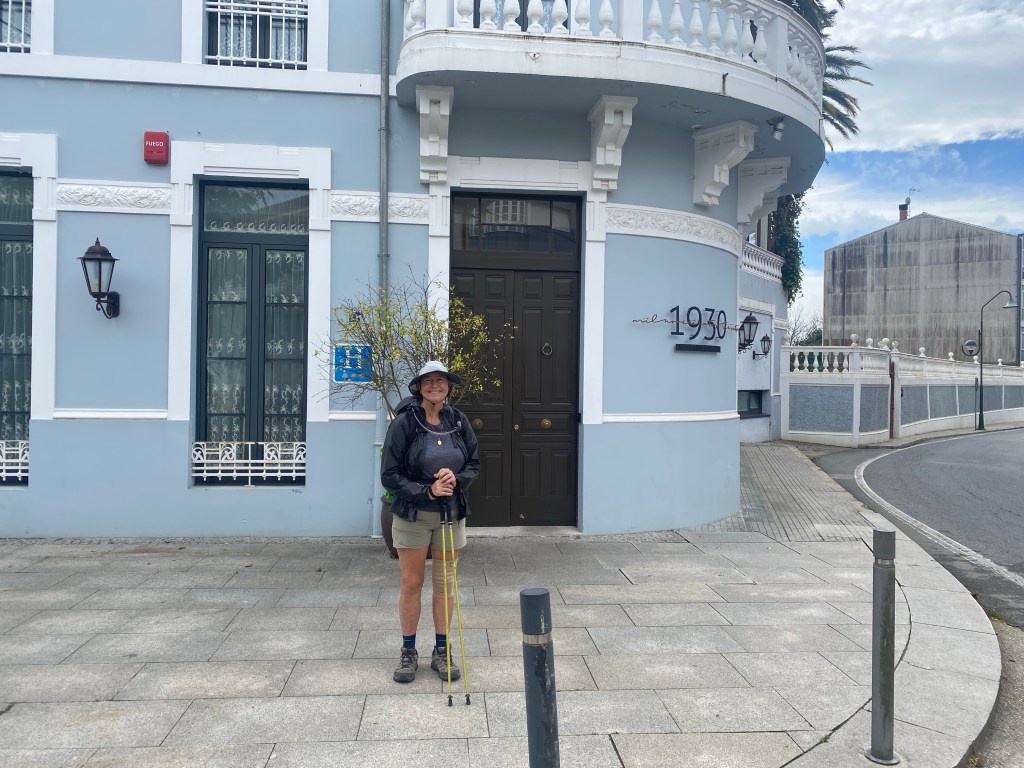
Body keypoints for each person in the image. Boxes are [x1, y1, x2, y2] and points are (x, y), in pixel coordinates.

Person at [380, 360, 480, 683]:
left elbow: (474, 464)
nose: (434, 385)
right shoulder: (404, 423)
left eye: (441, 380)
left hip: (450, 514)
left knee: (445, 584)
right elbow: (389, 475)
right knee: (412, 583)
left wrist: (456, 478)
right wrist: (426, 491)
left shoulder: (458, 421)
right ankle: (408, 652)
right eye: (428, 381)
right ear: (419, 387)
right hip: (414, 515)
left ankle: (441, 650)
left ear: (448, 386)